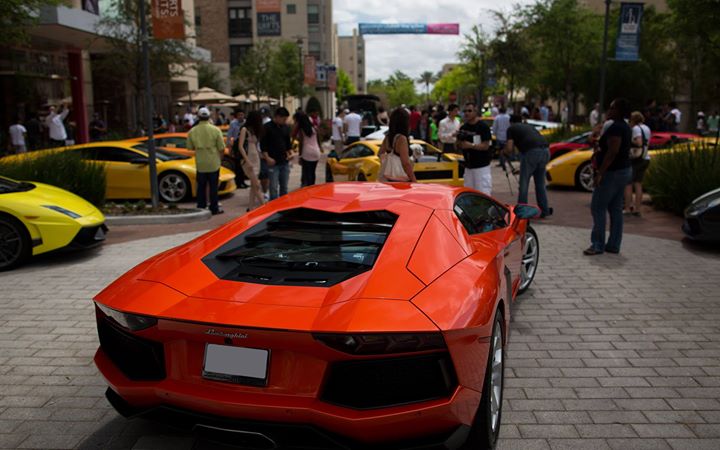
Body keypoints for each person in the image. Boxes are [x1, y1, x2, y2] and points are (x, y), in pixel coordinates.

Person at [585, 98, 633, 256]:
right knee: (615, 208)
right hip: (623, 170)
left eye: (612, 108)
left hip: (612, 172)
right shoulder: (624, 126)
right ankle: (613, 244)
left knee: (598, 206)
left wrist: (600, 173)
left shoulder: (616, 128)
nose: (609, 110)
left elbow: (613, 152)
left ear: (618, 110)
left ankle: (597, 244)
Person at [505, 114, 552, 217]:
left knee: (524, 184)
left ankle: (522, 211)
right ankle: (544, 210)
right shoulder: (529, 126)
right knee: (540, 184)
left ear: (511, 122)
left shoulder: (511, 129)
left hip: (532, 153)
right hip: (546, 151)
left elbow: (509, 148)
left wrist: (503, 152)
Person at [187, 107, 225, 215]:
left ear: (198, 117)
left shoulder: (192, 131)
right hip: (213, 162)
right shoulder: (216, 130)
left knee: (201, 187)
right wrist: (220, 160)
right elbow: (221, 147)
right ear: (209, 117)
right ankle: (214, 208)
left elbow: (189, 147)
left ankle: (201, 207)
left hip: (200, 163)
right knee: (213, 187)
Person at [457, 103, 493, 195]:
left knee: (483, 194)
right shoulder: (463, 127)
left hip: (481, 167)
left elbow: (486, 146)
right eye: (465, 111)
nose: (467, 113)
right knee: (469, 195)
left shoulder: (483, 127)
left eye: (469, 111)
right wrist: (458, 141)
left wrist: (471, 145)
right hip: (468, 167)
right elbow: (458, 145)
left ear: (475, 112)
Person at [235, 111, 266, 211]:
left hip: (256, 158)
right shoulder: (244, 129)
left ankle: (250, 208)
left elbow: (256, 146)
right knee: (256, 185)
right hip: (248, 159)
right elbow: (240, 146)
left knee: (254, 185)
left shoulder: (254, 131)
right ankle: (264, 207)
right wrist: (247, 161)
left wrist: (260, 155)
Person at [624, 111, 651, 217]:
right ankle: (637, 209)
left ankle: (627, 208)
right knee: (638, 184)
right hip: (645, 157)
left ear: (633, 120)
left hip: (636, 159)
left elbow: (639, 142)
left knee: (628, 184)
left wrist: (630, 140)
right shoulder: (646, 128)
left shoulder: (636, 129)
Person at [261, 107, 292, 200]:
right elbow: (263, 145)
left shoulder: (285, 127)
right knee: (273, 187)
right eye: (284, 119)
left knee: (284, 187)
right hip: (273, 162)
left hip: (284, 161)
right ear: (277, 117)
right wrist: (267, 158)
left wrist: (290, 153)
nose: (285, 121)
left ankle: (284, 206)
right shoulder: (267, 127)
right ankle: (274, 208)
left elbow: (288, 144)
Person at [379, 108, 417, 182]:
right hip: (401, 180)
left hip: (388, 178)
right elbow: (406, 163)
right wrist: (414, 180)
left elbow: (380, 153)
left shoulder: (388, 137)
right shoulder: (402, 139)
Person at [296, 112, 322, 187]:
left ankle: (308, 188)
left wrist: (300, 156)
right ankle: (313, 186)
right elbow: (318, 139)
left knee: (307, 173)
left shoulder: (302, 131)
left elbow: (301, 143)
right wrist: (320, 148)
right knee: (313, 172)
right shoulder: (314, 128)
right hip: (316, 151)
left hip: (306, 152)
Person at [227, 112, 248, 189]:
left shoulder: (246, 123)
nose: (241, 116)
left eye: (242, 115)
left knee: (244, 164)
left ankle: (243, 182)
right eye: (239, 115)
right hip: (236, 144)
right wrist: (229, 147)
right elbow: (229, 135)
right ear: (237, 116)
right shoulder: (233, 123)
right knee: (237, 165)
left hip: (245, 144)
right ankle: (238, 182)